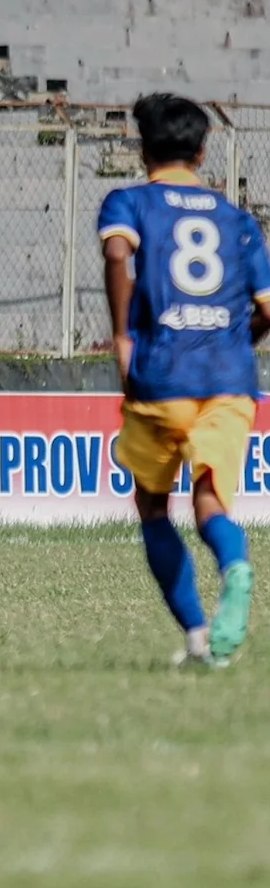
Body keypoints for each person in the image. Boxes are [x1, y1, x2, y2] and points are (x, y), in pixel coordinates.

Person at [99, 92, 270, 665]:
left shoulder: (129, 202)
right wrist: (231, 346)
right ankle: (237, 566)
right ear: (203, 149)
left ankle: (198, 635)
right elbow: (266, 309)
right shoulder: (239, 220)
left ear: (144, 148)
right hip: (229, 380)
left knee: (153, 506)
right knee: (210, 501)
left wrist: (124, 336)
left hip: (162, 375)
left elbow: (119, 255)